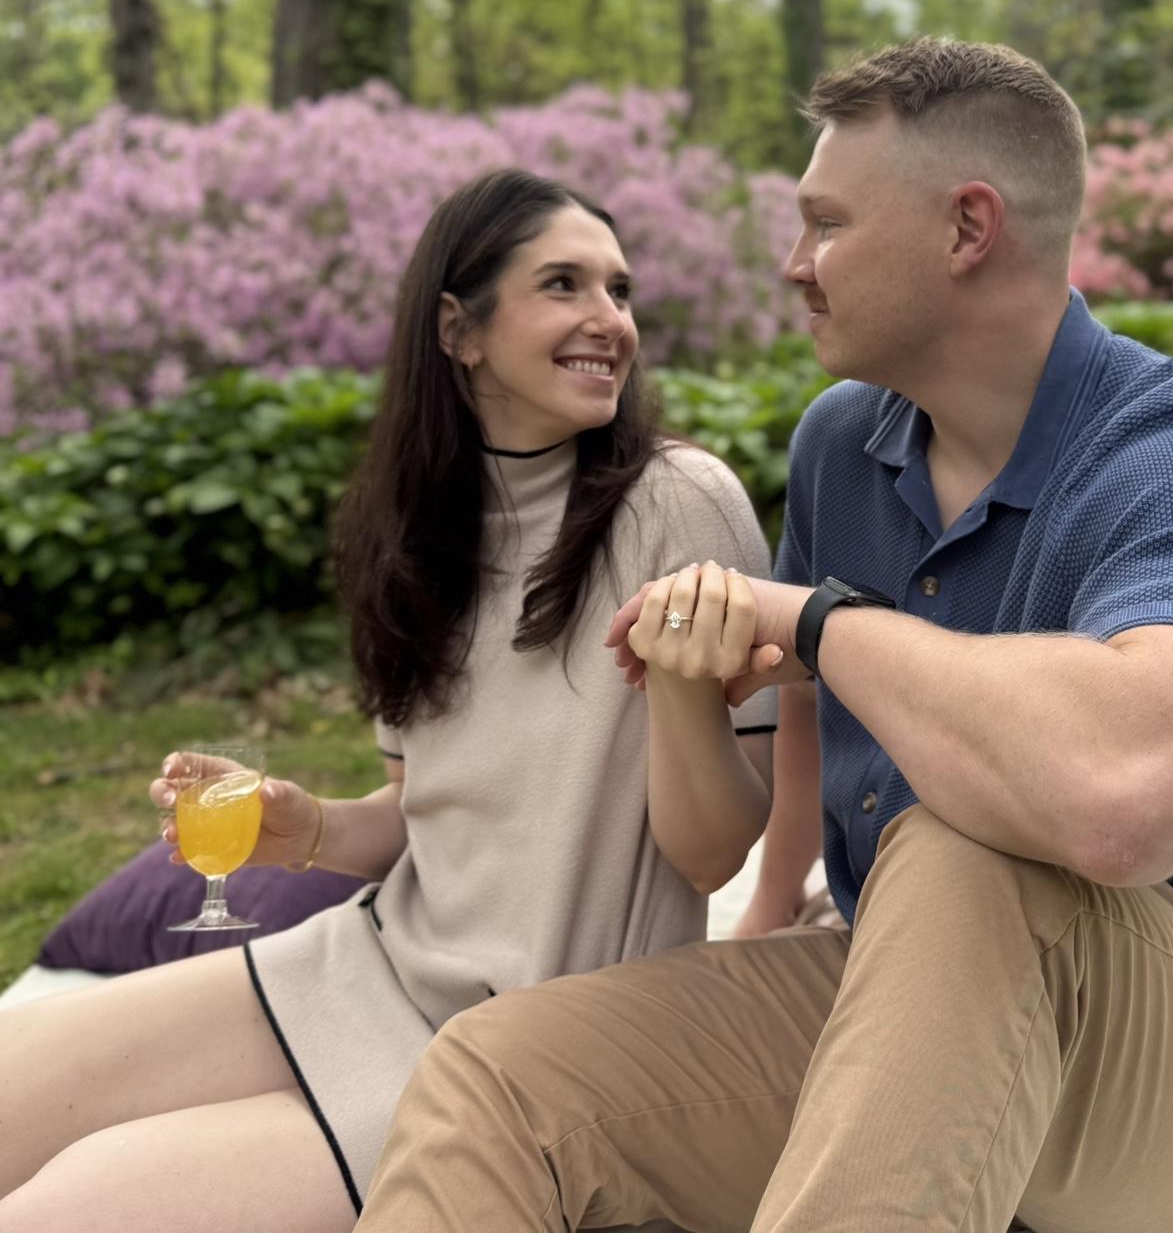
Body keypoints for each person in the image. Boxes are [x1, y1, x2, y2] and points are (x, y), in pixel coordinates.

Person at [357, 40, 1173, 1233]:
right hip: (908, 971)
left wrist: (822, 621)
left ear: (968, 229)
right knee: (497, 1077)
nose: (795, 264)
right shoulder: (844, 444)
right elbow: (806, 711)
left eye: (826, 225)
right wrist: (774, 903)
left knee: (969, 848)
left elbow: (1121, 798)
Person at [0, 170, 778, 1232]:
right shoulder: (413, 530)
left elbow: (714, 855)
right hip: (374, 961)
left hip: (526, 1049)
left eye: (620, 289)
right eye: (564, 284)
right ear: (459, 330)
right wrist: (307, 827)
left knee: (59, 1212)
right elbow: (424, 818)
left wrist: (680, 687)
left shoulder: (679, 502)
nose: (610, 320)